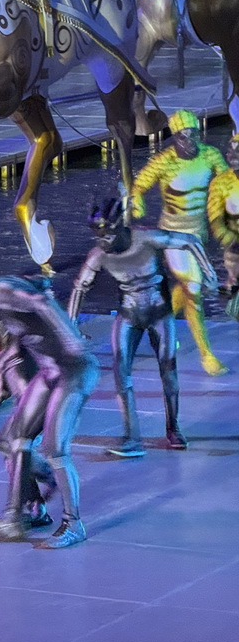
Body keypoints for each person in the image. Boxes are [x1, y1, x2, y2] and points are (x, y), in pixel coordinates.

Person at [0, 256, 99, 549]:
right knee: (11, 439)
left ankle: (73, 524)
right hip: (50, 371)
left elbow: (40, 303)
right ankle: (24, 513)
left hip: (73, 370)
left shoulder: (1, 290)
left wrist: (71, 338)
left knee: (54, 449)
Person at [69, 196, 217, 457]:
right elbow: (80, 287)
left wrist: (208, 273)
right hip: (129, 313)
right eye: (99, 236)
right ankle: (131, 437)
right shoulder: (99, 255)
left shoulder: (146, 238)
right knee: (121, 372)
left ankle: (173, 428)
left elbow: (189, 241)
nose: (104, 242)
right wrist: (70, 325)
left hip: (159, 312)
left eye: (108, 235)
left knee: (168, 370)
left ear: (119, 227)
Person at [132, 110, 228, 375]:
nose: (189, 140)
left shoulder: (210, 155)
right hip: (173, 235)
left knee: (188, 287)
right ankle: (206, 355)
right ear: (174, 137)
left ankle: (161, 322)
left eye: (193, 134)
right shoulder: (164, 162)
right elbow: (139, 186)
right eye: (183, 136)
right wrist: (137, 200)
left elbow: (227, 182)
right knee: (194, 288)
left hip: (198, 234)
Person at [208, 134, 239, 306]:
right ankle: (232, 279)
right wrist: (225, 236)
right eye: (229, 151)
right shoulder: (219, 182)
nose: (231, 156)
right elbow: (215, 214)